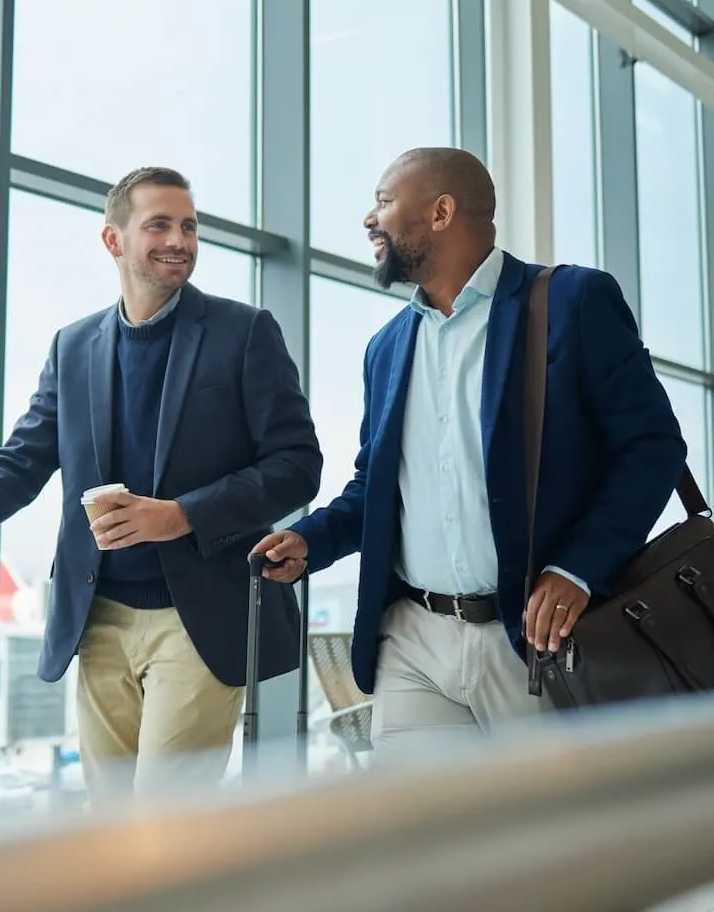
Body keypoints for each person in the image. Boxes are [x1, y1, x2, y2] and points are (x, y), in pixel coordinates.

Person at [0, 166, 322, 803]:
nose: (179, 239)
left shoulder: (243, 332)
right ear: (113, 241)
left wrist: (182, 515)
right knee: (111, 826)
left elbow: (297, 464)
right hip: (97, 617)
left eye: (188, 226)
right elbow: (22, 461)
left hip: (199, 618)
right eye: (158, 224)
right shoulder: (74, 345)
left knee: (165, 824)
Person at [252, 147, 686, 758]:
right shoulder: (387, 348)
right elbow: (374, 486)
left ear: (441, 211)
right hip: (414, 641)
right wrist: (312, 541)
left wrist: (578, 569)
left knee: (546, 843)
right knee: (426, 843)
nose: (368, 220)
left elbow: (652, 446)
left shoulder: (571, 302)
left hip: (534, 639)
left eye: (382, 201)